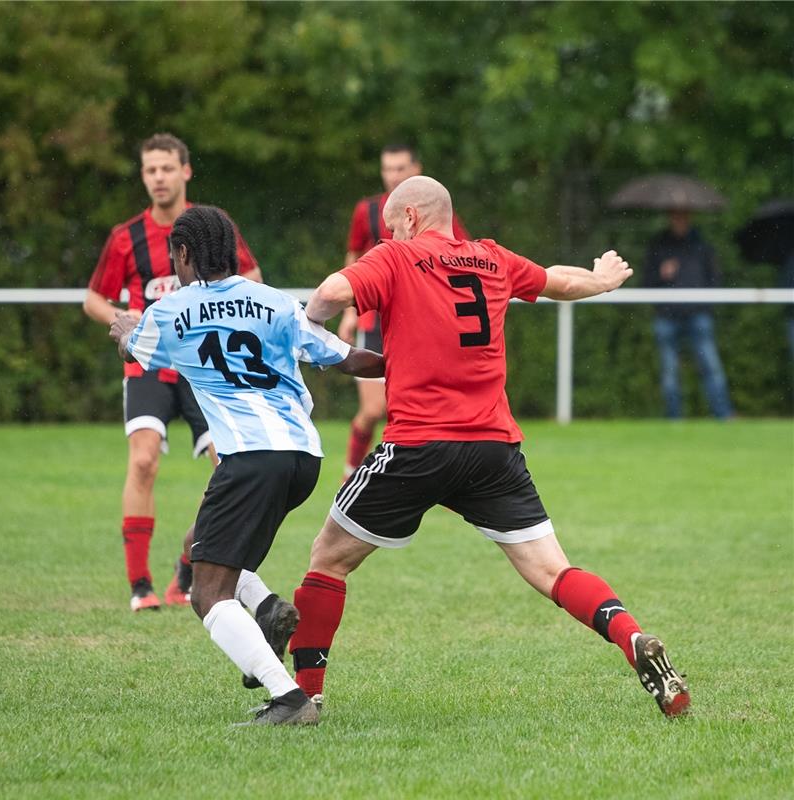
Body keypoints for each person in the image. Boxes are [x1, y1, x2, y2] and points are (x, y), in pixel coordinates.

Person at [287, 176, 691, 719]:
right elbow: (557, 281)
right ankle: (632, 637)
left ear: (409, 217)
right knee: (552, 571)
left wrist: (309, 335)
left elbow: (332, 293)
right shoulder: (491, 259)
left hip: (419, 445)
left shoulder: (396, 258)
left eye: (390, 228)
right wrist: (599, 280)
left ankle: (306, 694)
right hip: (493, 449)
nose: (388, 237)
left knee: (327, 558)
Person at [110, 206, 384, 725]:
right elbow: (346, 357)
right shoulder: (275, 302)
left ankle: (289, 699)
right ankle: (266, 610)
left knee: (204, 588)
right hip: (303, 458)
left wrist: (124, 327)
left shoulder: (171, 311)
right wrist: (407, 362)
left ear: (184, 254)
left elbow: (134, 347)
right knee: (201, 545)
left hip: (249, 458)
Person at [84, 133, 264, 612]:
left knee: (228, 471)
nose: (158, 178)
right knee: (143, 461)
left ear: (185, 171)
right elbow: (93, 299)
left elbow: (253, 279)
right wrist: (127, 322)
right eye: (150, 170)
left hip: (205, 363)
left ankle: (187, 567)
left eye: (167, 168)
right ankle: (139, 584)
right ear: (143, 176)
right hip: (149, 366)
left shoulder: (211, 227)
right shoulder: (126, 237)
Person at [337, 143, 471, 479]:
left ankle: (409, 476)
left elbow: (461, 254)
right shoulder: (367, 211)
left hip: (418, 320)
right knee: (373, 409)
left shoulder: (437, 212)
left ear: (416, 170)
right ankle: (351, 471)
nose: (392, 176)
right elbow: (354, 258)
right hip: (376, 319)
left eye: (400, 169)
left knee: (414, 406)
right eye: (387, 169)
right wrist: (350, 312)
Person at [644, 210, 733, 419]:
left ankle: (724, 415)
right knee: (670, 372)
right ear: (670, 219)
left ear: (689, 219)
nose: (679, 221)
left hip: (698, 315)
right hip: (667, 317)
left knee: (711, 367)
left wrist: (705, 307)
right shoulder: (658, 246)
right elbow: (646, 283)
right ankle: (674, 419)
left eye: (683, 217)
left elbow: (715, 279)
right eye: (675, 217)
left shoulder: (702, 245)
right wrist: (661, 274)